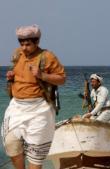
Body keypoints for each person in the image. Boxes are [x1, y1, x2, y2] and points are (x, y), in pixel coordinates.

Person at [1, 24, 66, 169]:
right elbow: (19, 71)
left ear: (37, 42)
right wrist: (12, 76)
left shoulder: (47, 56)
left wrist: (42, 75)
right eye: (22, 44)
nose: (24, 48)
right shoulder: (18, 54)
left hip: (40, 109)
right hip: (17, 107)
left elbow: (62, 79)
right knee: (11, 143)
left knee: (36, 153)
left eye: (28, 44)